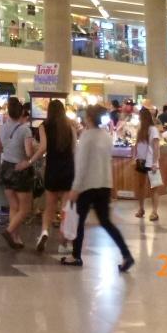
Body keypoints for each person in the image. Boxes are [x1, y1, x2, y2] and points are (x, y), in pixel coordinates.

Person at [62, 104, 134, 271]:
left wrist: (75, 188)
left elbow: (81, 165)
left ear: (88, 118)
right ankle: (126, 254)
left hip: (87, 186)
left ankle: (76, 255)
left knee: (79, 221)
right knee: (106, 222)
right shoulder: (106, 136)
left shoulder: (87, 137)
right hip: (104, 184)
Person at [30, 98, 75, 253]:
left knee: (49, 207)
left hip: (52, 169)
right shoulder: (70, 126)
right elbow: (74, 149)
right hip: (68, 169)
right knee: (65, 208)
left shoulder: (44, 126)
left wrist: (30, 161)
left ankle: (44, 232)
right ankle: (63, 243)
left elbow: (43, 147)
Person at [0, 97, 36, 249]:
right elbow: (29, 153)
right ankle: (9, 231)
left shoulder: (2, 128)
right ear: (21, 113)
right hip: (20, 170)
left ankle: (16, 238)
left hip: (6, 167)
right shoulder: (25, 130)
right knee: (25, 209)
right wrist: (36, 149)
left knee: (14, 206)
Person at [133, 106, 162, 221]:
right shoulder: (140, 130)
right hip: (141, 161)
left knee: (154, 187)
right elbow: (137, 145)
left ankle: (154, 212)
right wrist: (135, 157)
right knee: (140, 186)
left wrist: (155, 162)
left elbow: (156, 147)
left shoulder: (153, 130)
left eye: (140, 117)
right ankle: (141, 209)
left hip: (151, 162)